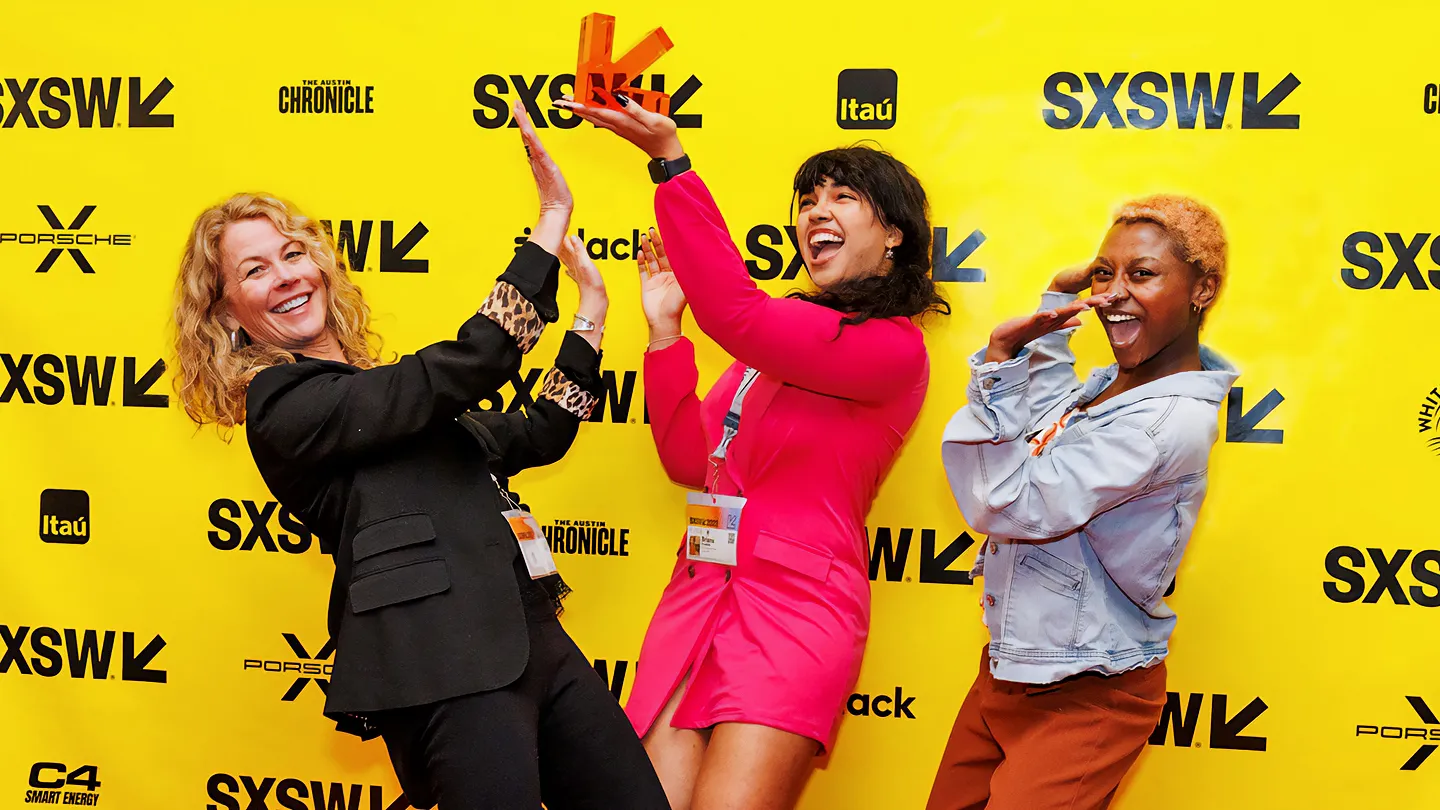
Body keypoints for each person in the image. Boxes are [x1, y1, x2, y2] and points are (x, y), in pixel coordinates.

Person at [170, 102, 669, 810]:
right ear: (226, 313)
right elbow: (463, 366)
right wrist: (550, 217)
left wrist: (590, 316)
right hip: (441, 663)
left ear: (319, 263)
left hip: (535, 639)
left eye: (292, 253)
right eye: (254, 271)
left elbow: (539, 432)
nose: (285, 276)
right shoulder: (281, 405)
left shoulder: (391, 401)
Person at [555, 92, 949, 809]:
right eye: (806, 201)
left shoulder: (892, 350)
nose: (814, 213)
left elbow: (736, 312)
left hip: (795, 617)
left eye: (842, 197)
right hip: (699, 597)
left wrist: (670, 165)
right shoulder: (770, 351)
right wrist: (666, 334)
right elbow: (686, 459)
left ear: (893, 235)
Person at [928, 195, 1239, 810]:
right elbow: (1040, 418)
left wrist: (997, 367)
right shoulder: (1107, 389)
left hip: (1091, 691)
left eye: (1142, 273)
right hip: (1013, 669)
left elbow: (1009, 502)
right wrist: (1051, 314)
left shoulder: (1164, 423)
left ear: (1202, 289)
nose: (1113, 292)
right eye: (1104, 272)